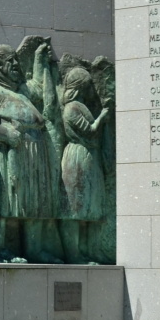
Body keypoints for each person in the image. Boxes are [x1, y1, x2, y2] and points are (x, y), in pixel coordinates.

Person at [0, 43, 63, 263]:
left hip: (33, 151)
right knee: (3, 202)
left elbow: (38, 87)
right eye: (12, 61)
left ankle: (34, 249)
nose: (16, 65)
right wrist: (6, 134)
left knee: (34, 202)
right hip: (6, 151)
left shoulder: (20, 90)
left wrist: (39, 59)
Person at [58, 66, 112, 264]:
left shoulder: (82, 106)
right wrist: (102, 117)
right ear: (80, 86)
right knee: (74, 208)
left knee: (89, 206)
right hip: (77, 157)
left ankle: (88, 251)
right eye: (88, 85)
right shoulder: (71, 108)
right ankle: (73, 254)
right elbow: (89, 131)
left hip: (90, 157)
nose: (91, 89)